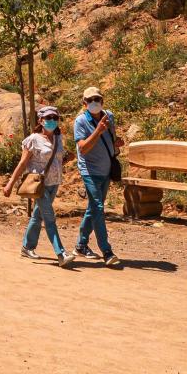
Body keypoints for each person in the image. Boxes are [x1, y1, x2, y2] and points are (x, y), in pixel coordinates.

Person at [3, 106, 73, 267]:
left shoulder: (58, 137)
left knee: (38, 216)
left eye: (55, 118)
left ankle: (27, 247)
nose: (52, 121)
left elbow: (58, 158)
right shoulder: (33, 139)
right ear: (41, 121)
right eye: (48, 118)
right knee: (49, 218)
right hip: (38, 185)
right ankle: (61, 253)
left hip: (54, 183)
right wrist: (10, 184)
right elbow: (23, 163)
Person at [72, 86, 122, 267]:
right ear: (84, 103)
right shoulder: (80, 122)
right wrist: (98, 131)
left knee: (93, 208)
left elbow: (112, 140)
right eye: (90, 100)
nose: (94, 103)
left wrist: (116, 142)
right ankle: (106, 251)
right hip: (89, 170)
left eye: (97, 100)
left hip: (106, 169)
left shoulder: (109, 116)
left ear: (102, 101)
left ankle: (81, 245)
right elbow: (83, 148)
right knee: (98, 207)